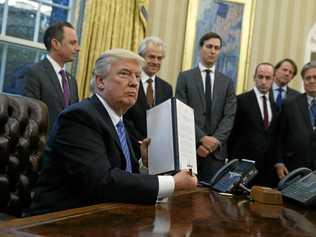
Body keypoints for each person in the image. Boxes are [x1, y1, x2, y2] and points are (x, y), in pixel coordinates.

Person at [28, 48, 197, 216]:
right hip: (60, 221)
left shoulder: (120, 123)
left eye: (137, 76)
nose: (134, 82)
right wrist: (172, 182)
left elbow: (124, 175)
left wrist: (144, 164)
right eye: (124, 74)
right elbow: (103, 181)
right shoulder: (79, 117)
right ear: (100, 81)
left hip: (105, 215)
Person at [175, 32, 236, 182]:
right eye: (209, 46)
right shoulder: (185, 77)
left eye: (217, 48)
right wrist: (201, 138)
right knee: (185, 199)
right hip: (191, 149)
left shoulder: (227, 82)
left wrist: (212, 143)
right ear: (200, 48)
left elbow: (229, 116)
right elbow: (181, 112)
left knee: (212, 200)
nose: (213, 51)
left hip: (216, 153)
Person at [22, 22, 80, 131]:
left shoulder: (72, 81)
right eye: (72, 43)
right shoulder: (33, 72)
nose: (78, 48)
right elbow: (29, 116)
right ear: (55, 44)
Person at [229, 63, 278, 186]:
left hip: (267, 168)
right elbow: (233, 133)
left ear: (273, 79)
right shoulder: (241, 100)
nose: (263, 81)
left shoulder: (275, 104)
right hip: (244, 164)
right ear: (254, 77)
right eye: (260, 77)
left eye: (268, 78)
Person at [124, 36, 172, 157]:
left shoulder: (167, 88)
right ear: (140, 57)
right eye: (151, 57)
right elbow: (124, 118)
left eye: (159, 58)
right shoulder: (129, 82)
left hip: (156, 153)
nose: (155, 61)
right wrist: (140, 143)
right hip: (130, 148)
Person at [275, 61, 316, 180]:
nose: (312, 81)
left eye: (315, 77)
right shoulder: (290, 104)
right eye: (308, 78)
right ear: (303, 81)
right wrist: (279, 162)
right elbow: (279, 136)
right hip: (294, 168)